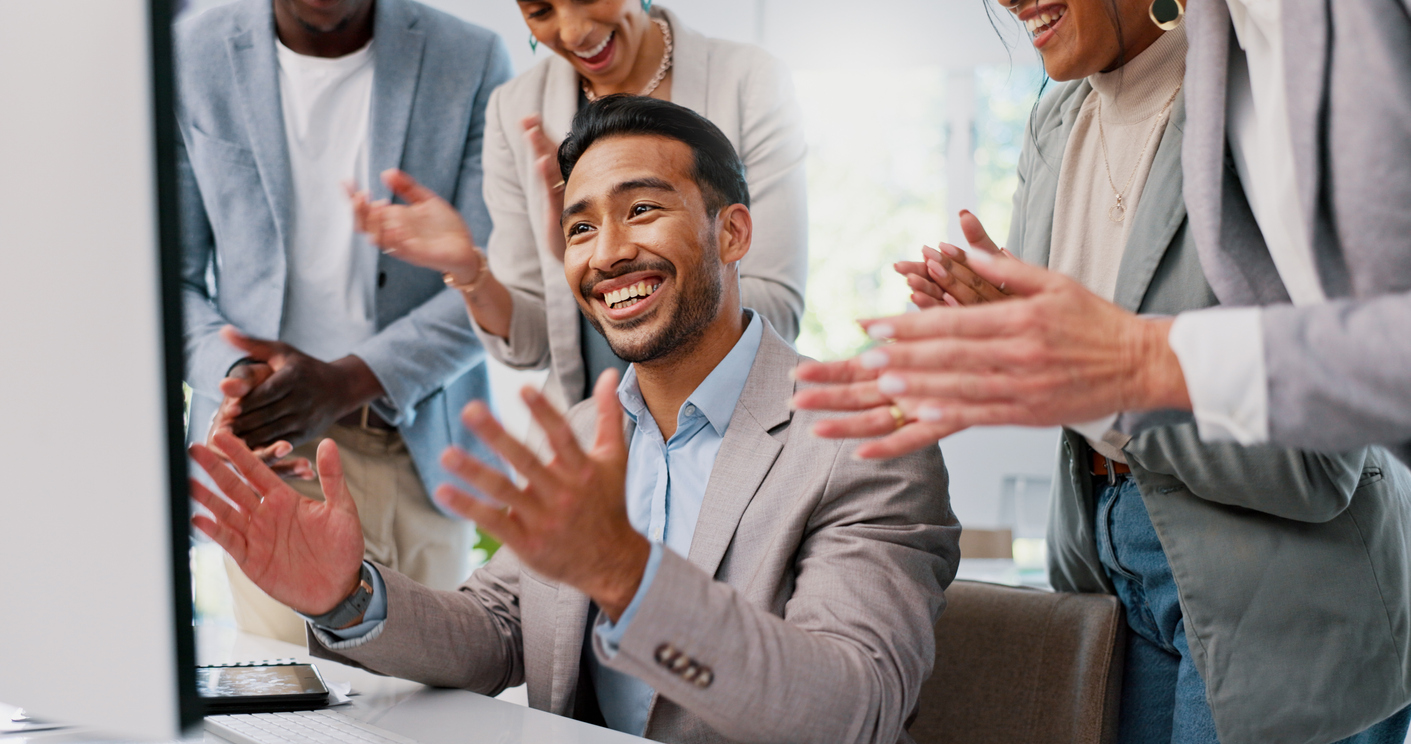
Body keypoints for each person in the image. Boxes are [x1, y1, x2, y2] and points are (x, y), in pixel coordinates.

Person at [188, 96, 958, 744]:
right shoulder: (592, 431)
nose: (608, 253)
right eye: (581, 229)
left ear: (732, 233)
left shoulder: (863, 439)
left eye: (643, 210)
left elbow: (855, 708)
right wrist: (347, 595)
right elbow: (498, 631)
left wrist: (628, 576)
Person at [888, 2, 1411, 742]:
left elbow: (1320, 456)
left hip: (1280, 574)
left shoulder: (1260, 86)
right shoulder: (1053, 121)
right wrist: (1001, 323)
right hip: (1101, 555)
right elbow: (1074, 340)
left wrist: (1103, 379)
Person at [791, 0, 1411, 469]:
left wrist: (1133, 367)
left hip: (1269, 565)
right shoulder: (1053, 122)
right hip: (1098, 552)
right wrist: (1016, 336)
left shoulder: (1245, 71)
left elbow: (1341, 422)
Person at [175, 0, 511, 643]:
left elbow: (492, 280)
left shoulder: (469, 58)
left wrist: (346, 381)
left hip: (421, 454)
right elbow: (172, 280)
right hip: (274, 456)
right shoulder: (192, 53)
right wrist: (239, 373)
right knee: (294, 714)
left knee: (432, 707)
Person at [349, 0, 808, 409]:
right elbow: (530, 345)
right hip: (593, 437)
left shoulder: (747, 81)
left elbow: (776, 311)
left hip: (726, 419)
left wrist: (627, 263)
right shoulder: (515, 108)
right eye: (540, 11)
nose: (572, 33)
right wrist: (473, 269)